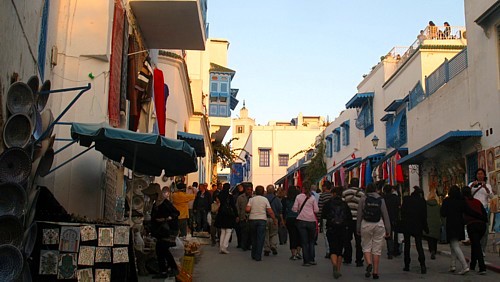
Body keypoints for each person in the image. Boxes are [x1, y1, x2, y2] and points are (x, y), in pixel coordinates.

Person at [357, 183, 391, 280]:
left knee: (366, 246)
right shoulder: (380, 199)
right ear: (376, 189)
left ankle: (369, 263)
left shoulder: (363, 198)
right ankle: (375, 272)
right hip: (378, 224)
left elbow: (359, 214)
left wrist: (358, 228)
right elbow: (385, 214)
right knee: (377, 249)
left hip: (366, 224)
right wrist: (388, 229)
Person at [322, 186, 352, 279]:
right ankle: (338, 269)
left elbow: (323, 216)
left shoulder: (328, 204)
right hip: (342, 229)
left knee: (333, 249)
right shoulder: (345, 204)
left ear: (333, 194)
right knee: (339, 251)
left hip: (331, 228)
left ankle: (334, 264)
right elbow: (349, 218)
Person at [151, 186, 180, 279]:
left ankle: (170, 269)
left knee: (162, 249)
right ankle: (166, 270)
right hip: (162, 231)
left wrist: (165, 219)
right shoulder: (157, 204)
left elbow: (176, 213)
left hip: (168, 230)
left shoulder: (165, 203)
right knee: (161, 250)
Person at [441, 185, 469, 274]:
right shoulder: (462, 201)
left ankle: (464, 265)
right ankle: (452, 265)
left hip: (451, 224)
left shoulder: (447, 201)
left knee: (455, 245)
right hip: (459, 224)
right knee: (453, 245)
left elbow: (443, 213)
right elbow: (466, 211)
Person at [246, 185, 278, 261]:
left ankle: (253, 254)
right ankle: (258, 256)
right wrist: (274, 219)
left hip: (252, 219)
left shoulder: (251, 199)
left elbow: (247, 209)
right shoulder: (265, 200)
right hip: (262, 220)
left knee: (254, 238)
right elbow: (270, 211)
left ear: (255, 192)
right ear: (263, 192)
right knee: (260, 238)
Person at [401, 186, 428, 274]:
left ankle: (407, 264)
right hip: (418, 225)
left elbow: (402, 212)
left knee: (407, 245)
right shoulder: (422, 201)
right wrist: (425, 227)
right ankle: (422, 264)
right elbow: (424, 216)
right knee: (419, 245)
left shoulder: (406, 200)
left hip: (407, 224)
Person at [462, 186, 488, 274]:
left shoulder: (464, 202)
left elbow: (467, 213)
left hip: (472, 225)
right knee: (475, 244)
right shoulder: (477, 201)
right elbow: (484, 214)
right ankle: (473, 264)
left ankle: (482, 267)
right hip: (482, 225)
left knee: (477, 246)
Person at [468, 168, 494, 254]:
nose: (480, 175)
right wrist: (472, 186)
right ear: (476, 175)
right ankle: (476, 248)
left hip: (484, 210)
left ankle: (482, 250)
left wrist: (485, 187)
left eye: (481, 174)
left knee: (485, 231)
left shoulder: (488, 185)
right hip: (474, 211)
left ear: (484, 175)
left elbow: (491, 197)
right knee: (474, 231)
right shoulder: (471, 184)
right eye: (478, 174)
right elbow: (467, 195)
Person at [293, 185, 319, 266]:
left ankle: (306, 261)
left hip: (301, 220)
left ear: (302, 188)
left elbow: (294, 208)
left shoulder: (298, 197)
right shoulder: (312, 198)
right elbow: (316, 210)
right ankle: (312, 259)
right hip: (311, 221)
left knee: (304, 242)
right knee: (311, 241)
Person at [342, 178, 365, 266]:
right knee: (359, 241)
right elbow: (364, 207)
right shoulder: (362, 194)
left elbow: (343, 205)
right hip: (358, 220)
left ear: (350, 184)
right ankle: (359, 260)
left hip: (348, 220)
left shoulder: (345, 192)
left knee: (347, 240)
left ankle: (347, 258)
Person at [214, 183, 237, 254]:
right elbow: (233, 206)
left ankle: (221, 247)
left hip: (221, 214)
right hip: (228, 215)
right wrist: (236, 215)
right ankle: (224, 246)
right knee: (228, 231)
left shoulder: (219, 195)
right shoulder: (229, 196)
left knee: (222, 231)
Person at [283, 186, 302, 260]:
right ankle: (298, 252)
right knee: (299, 235)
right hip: (299, 218)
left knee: (292, 236)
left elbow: (283, 210)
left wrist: (283, 220)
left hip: (289, 219)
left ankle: (293, 253)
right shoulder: (299, 199)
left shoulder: (286, 199)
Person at [264, 185, 283, 256]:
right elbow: (280, 210)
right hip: (274, 218)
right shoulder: (277, 199)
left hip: (265, 218)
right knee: (274, 233)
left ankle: (266, 248)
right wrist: (281, 220)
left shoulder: (264, 198)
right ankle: (273, 245)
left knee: (266, 234)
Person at [382, 185, 400, 259]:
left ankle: (390, 252)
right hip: (395, 217)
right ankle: (396, 250)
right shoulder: (395, 198)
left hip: (387, 218)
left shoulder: (383, 199)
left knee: (388, 235)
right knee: (396, 234)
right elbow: (399, 207)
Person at [318, 181, 333, 258]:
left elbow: (320, 208)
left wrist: (319, 218)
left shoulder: (322, 196)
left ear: (325, 187)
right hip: (333, 217)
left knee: (326, 234)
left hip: (325, 217)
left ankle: (328, 251)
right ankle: (334, 250)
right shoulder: (332, 195)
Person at [424, 190, 441, 260]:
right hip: (436, 223)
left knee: (429, 239)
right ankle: (434, 250)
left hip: (428, 223)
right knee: (435, 239)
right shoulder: (438, 206)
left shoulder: (426, 205)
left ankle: (432, 250)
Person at [237, 184, 253, 251]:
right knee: (244, 232)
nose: (249, 191)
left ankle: (249, 245)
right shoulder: (241, 197)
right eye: (248, 190)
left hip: (252, 217)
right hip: (243, 217)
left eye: (250, 190)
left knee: (250, 233)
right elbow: (238, 207)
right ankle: (244, 246)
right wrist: (238, 216)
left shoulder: (253, 198)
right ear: (245, 190)